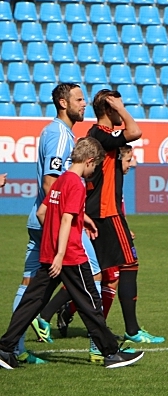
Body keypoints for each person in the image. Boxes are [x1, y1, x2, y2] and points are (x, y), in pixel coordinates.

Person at [0, 138, 144, 371]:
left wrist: (59, 238)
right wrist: (61, 252)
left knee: (32, 301)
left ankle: (5, 349)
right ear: (89, 161)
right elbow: (66, 218)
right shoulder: (76, 183)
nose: (94, 170)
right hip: (69, 256)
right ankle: (110, 353)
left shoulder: (60, 181)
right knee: (90, 303)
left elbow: (42, 212)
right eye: (95, 166)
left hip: (51, 254)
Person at [9, 84, 83, 364]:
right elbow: (51, 181)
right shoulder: (60, 135)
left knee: (29, 285)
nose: (83, 104)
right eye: (79, 99)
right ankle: (102, 348)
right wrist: (67, 215)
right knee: (94, 277)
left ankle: (13, 348)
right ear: (63, 103)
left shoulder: (58, 132)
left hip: (40, 218)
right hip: (52, 221)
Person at [86, 90, 164, 346]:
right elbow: (135, 132)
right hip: (107, 211)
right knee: (129, 265)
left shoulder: (98, 136)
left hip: (102, 211)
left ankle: (48, 314)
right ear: (109, 109)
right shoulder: (101, 134)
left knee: (93, 272)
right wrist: (121, 107)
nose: (121, 111)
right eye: (117, 106)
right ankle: (131, 329)